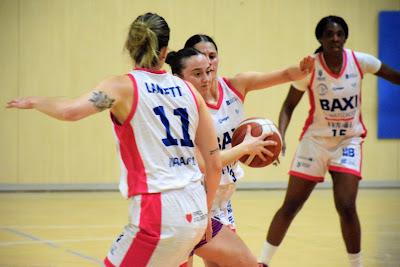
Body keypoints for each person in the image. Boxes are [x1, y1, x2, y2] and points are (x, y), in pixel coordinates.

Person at [6, 12, 222, 267]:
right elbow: (214, 164)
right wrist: (206, 215)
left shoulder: (122, 87)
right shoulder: (189, 91)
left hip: (159, 210)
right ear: (165, 52)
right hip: (196, 208)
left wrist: (36, 101)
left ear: (130, 47)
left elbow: (70, 111)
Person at [257, 15, 400, 267]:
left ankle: (357, 264)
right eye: (329, 34)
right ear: (320, 39)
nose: (335, 38)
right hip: (315, 142)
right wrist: (280, 135)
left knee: (346, 205)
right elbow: (288, 106)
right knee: (290, 205)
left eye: (339, 34)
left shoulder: (361, 61)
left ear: (345, 37)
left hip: (348, 142)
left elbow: (394, 75)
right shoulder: (310, 67)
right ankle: (262, 262)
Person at [168, 35, 314, 267]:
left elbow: (284, 76)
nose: (208, 63)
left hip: (222, 197)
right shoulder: (184, 106)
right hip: (194, 195)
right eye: (202, 57)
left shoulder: (235, 86)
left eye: (212, 56)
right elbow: (206, 162)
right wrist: (246, 147)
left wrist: (302, 70)